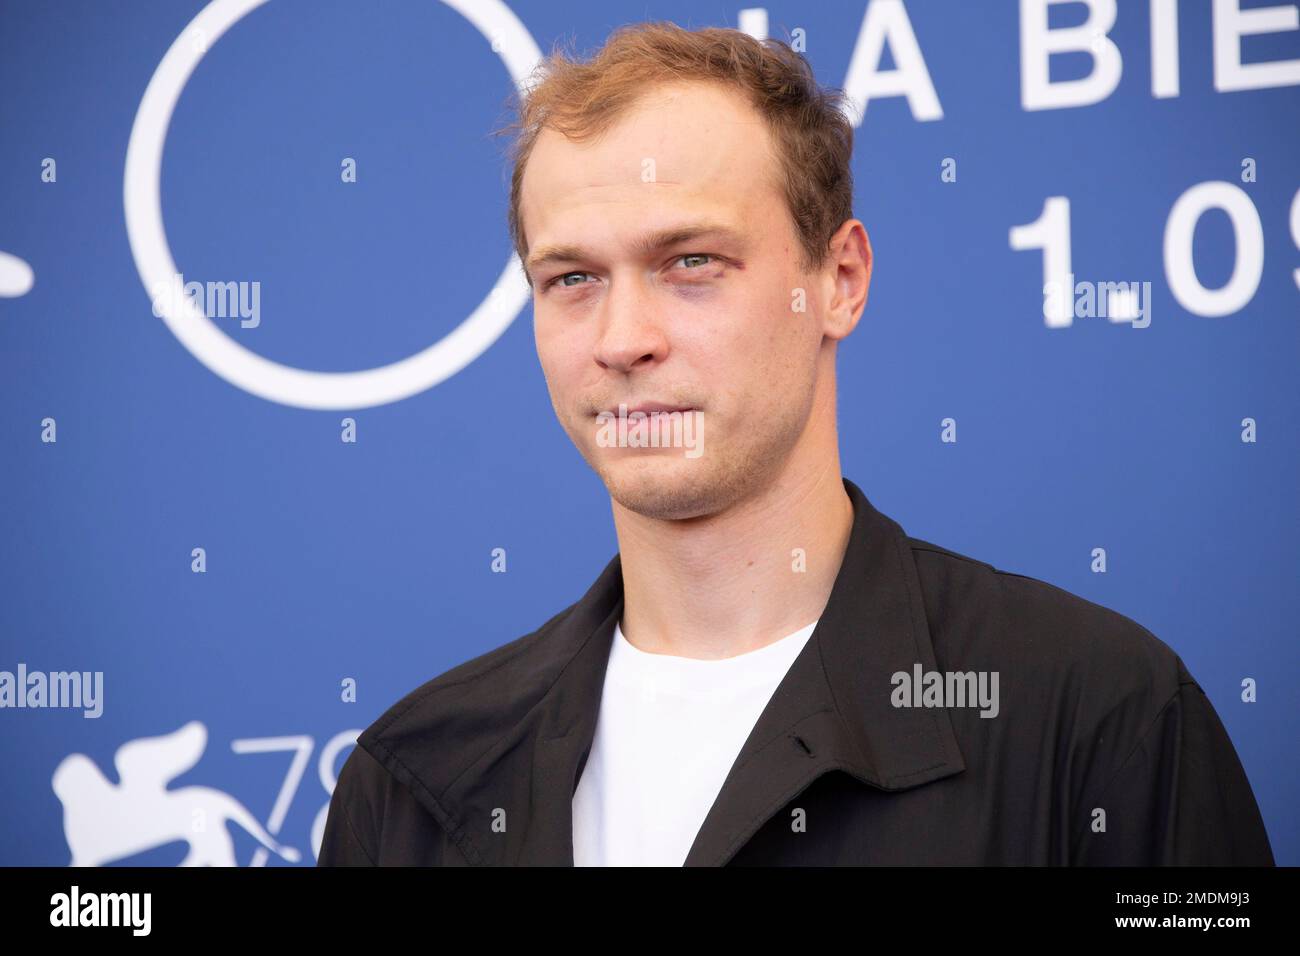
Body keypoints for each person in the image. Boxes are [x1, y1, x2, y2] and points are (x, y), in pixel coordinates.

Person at [317, 22, 1274, 867]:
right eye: (571, 278)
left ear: (841, 279)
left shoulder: (1099, 718)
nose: (621, 339)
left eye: (691, 262)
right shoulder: (413, 783)